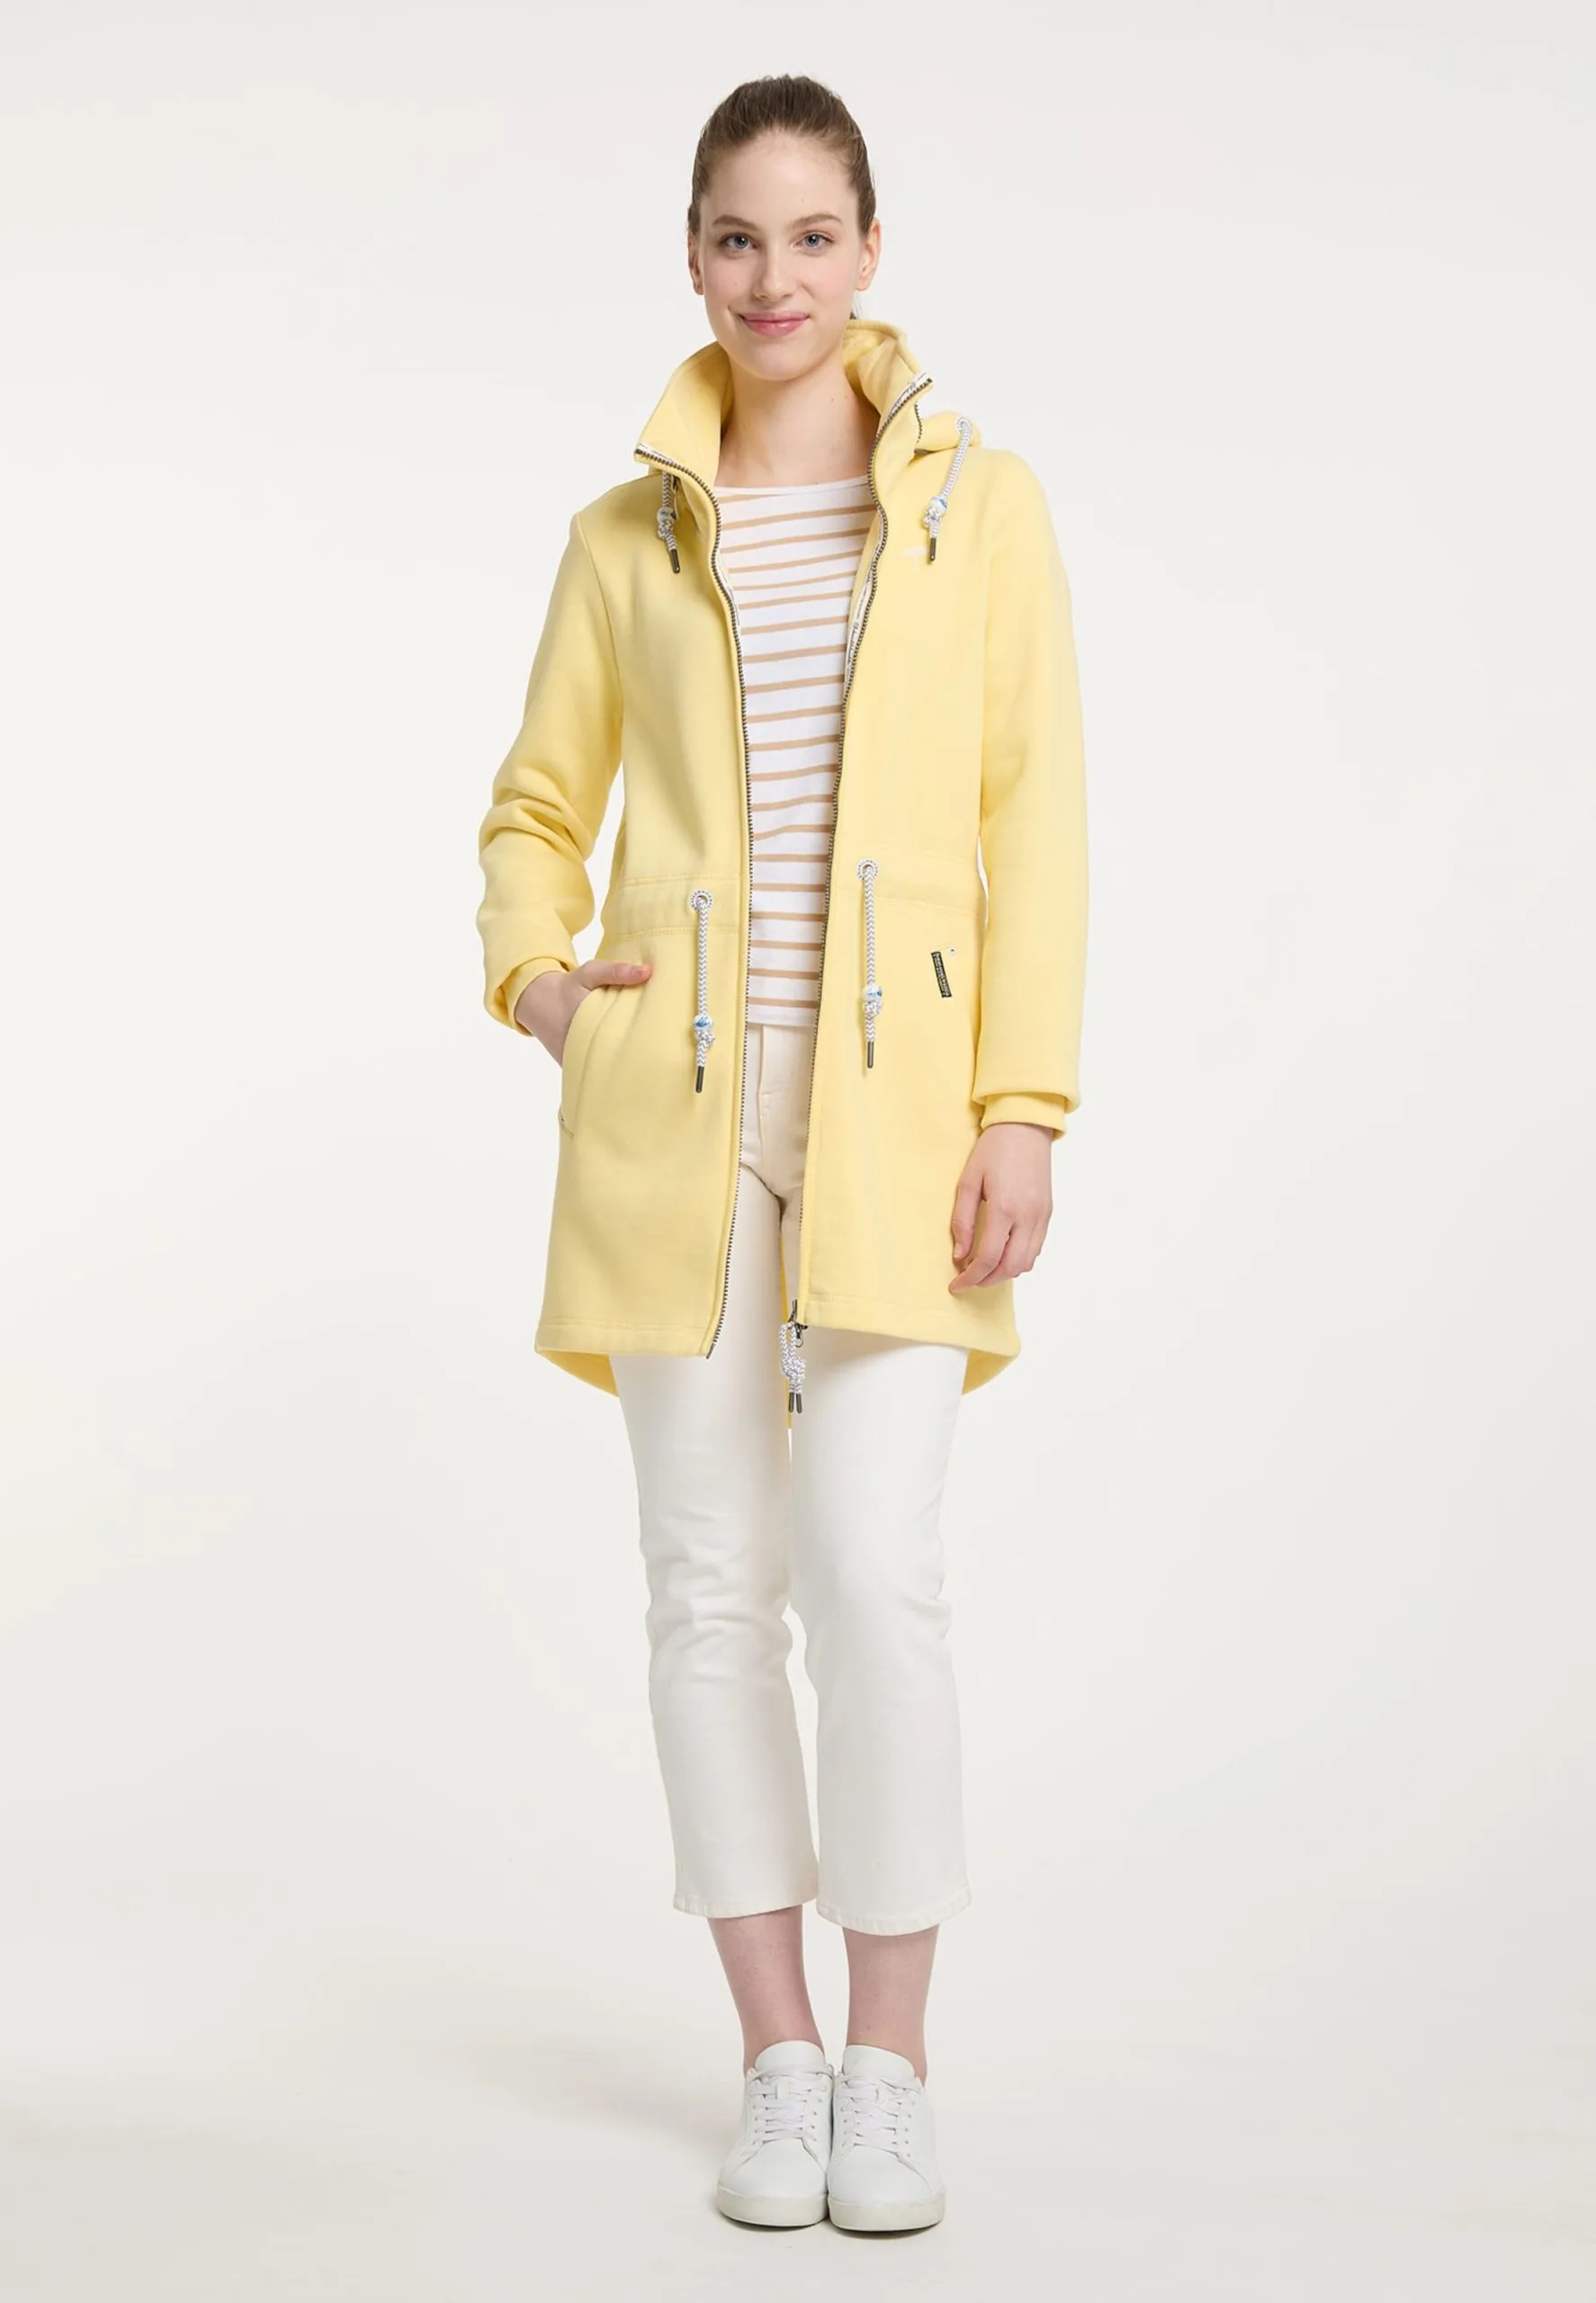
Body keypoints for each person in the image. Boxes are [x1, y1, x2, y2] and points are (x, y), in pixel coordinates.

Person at [475, 74, 1088, 2235]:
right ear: (690, 252)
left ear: (869, 248)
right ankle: (776, 2054)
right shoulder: (620, 539)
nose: (773, 276)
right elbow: (532, 812)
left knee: (873, 1571)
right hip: (678, 1119)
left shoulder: (977, 509)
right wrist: (545, 986)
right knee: (708, 1585)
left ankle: (891, 2064)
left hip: (902, 1120)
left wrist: (1021, 1105)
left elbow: (1036, 819)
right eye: (736, 236)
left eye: (811, 233)